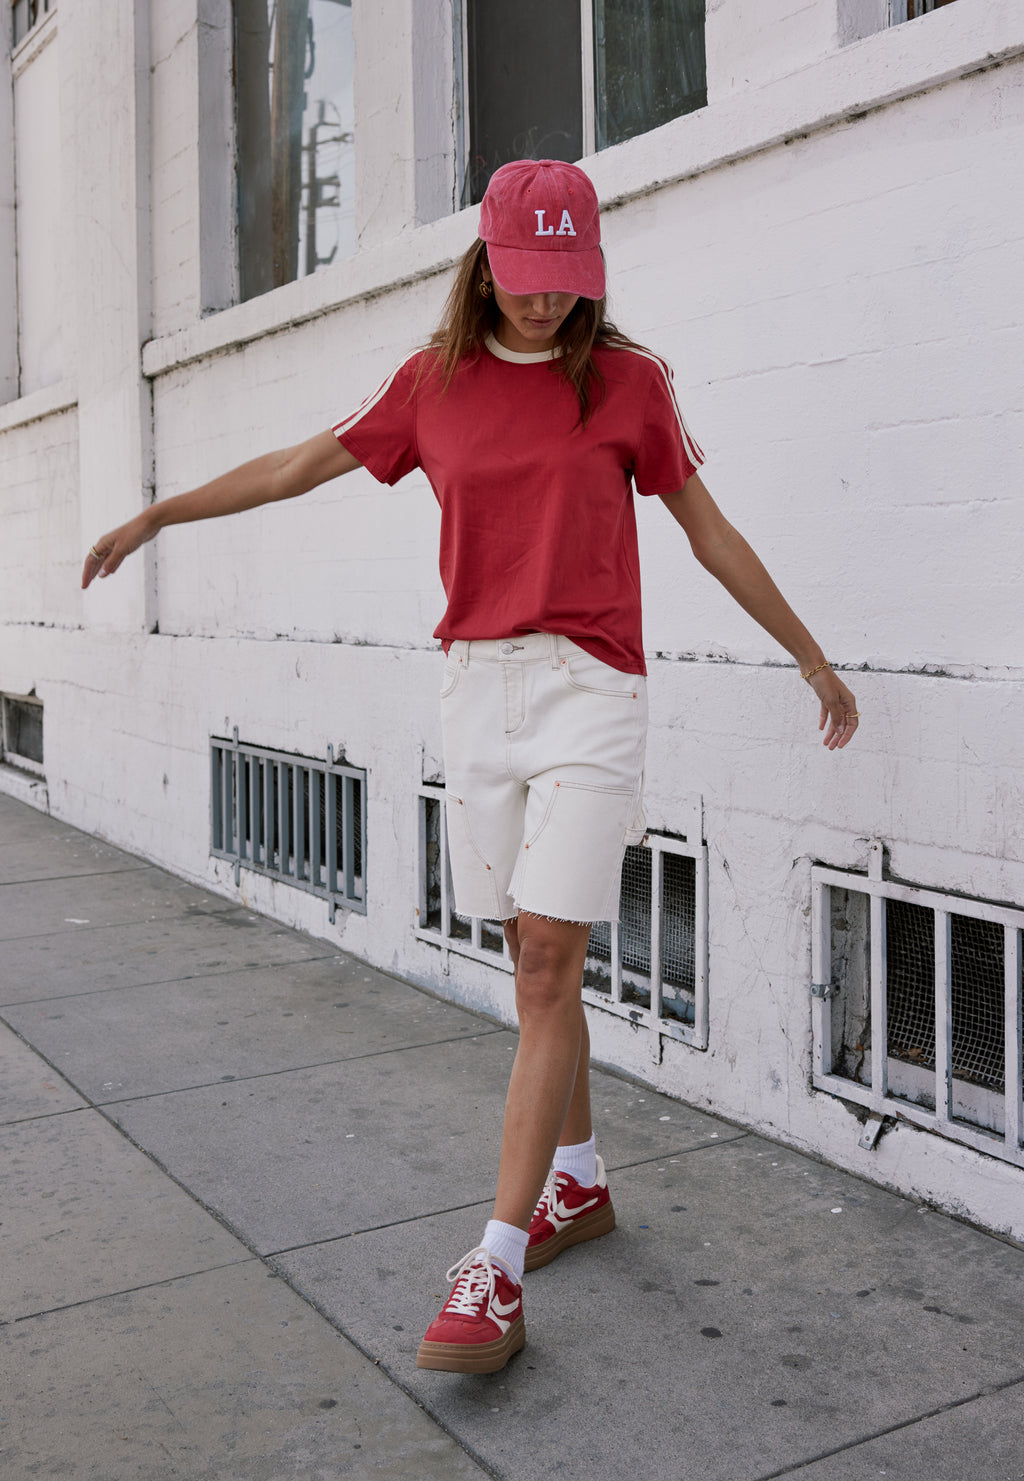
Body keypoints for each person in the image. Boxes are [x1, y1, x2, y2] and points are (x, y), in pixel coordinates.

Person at [82, 159, 859, 1376]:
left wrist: (811, 657)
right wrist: (155, 516)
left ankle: (493, 1262)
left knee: (551, 958)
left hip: (591, 691)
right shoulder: (430, 384)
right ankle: (580, 1181)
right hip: (474, 694)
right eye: (523, 276)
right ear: (485, 260)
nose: (542, 304)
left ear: (584, 273)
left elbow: (707, 531)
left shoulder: (629, 384)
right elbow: (299, 464)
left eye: (564, 280)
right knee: (531, 963)